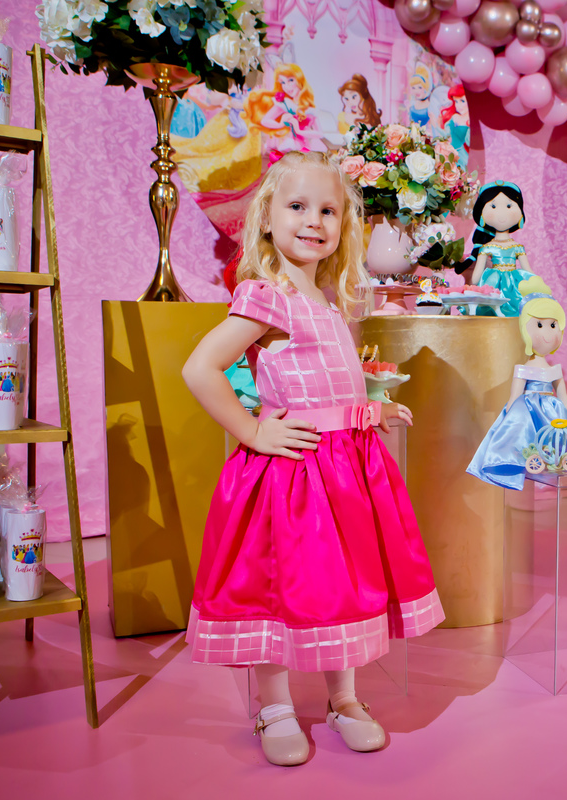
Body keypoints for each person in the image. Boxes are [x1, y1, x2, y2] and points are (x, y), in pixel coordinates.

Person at [181, 151, 443, 766]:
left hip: (346, 471)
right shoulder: (267, 296)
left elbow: (330, 384)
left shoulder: (326, 300)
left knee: (344, 583)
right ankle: (274, 705)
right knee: (279, 585)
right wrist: (252, 431)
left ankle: (343, 698)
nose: (313, 221)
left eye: (328, 210)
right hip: (295, 476)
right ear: (267, 217)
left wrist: (370, 411)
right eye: (297, 206)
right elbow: (200, 368)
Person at [467, 277, 567, 489]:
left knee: (556, 431)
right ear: (526, 330)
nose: (548, 332)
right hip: (528, 409)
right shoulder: (523, 369)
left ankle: (556, 456)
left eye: (553, 325)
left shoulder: (554, 370)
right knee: (520, 419)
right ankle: (517, 456)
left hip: (552, 412)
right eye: (540, 325)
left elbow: (563, 396)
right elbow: (514, 398)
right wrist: (508, 413)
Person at [464, 181, 536, 317]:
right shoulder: (486, 248)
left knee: (519, 309)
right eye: (493, 206)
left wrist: (537, 284)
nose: (502, 213)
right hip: (492, 284)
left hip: (514, 285)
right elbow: (475, 278)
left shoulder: (517, 248)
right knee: (490, 310)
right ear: (481, 215)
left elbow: (528, 271)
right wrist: (473, 288)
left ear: (521, 214)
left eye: (509, 206)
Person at [439, 85, 470, 170]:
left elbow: (470, 142)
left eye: (462, 101)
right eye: (456, 101)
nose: (458, 105)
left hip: (464, 155)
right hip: (451, 152)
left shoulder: (472, 121)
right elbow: (446, 133)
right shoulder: (455, 117)